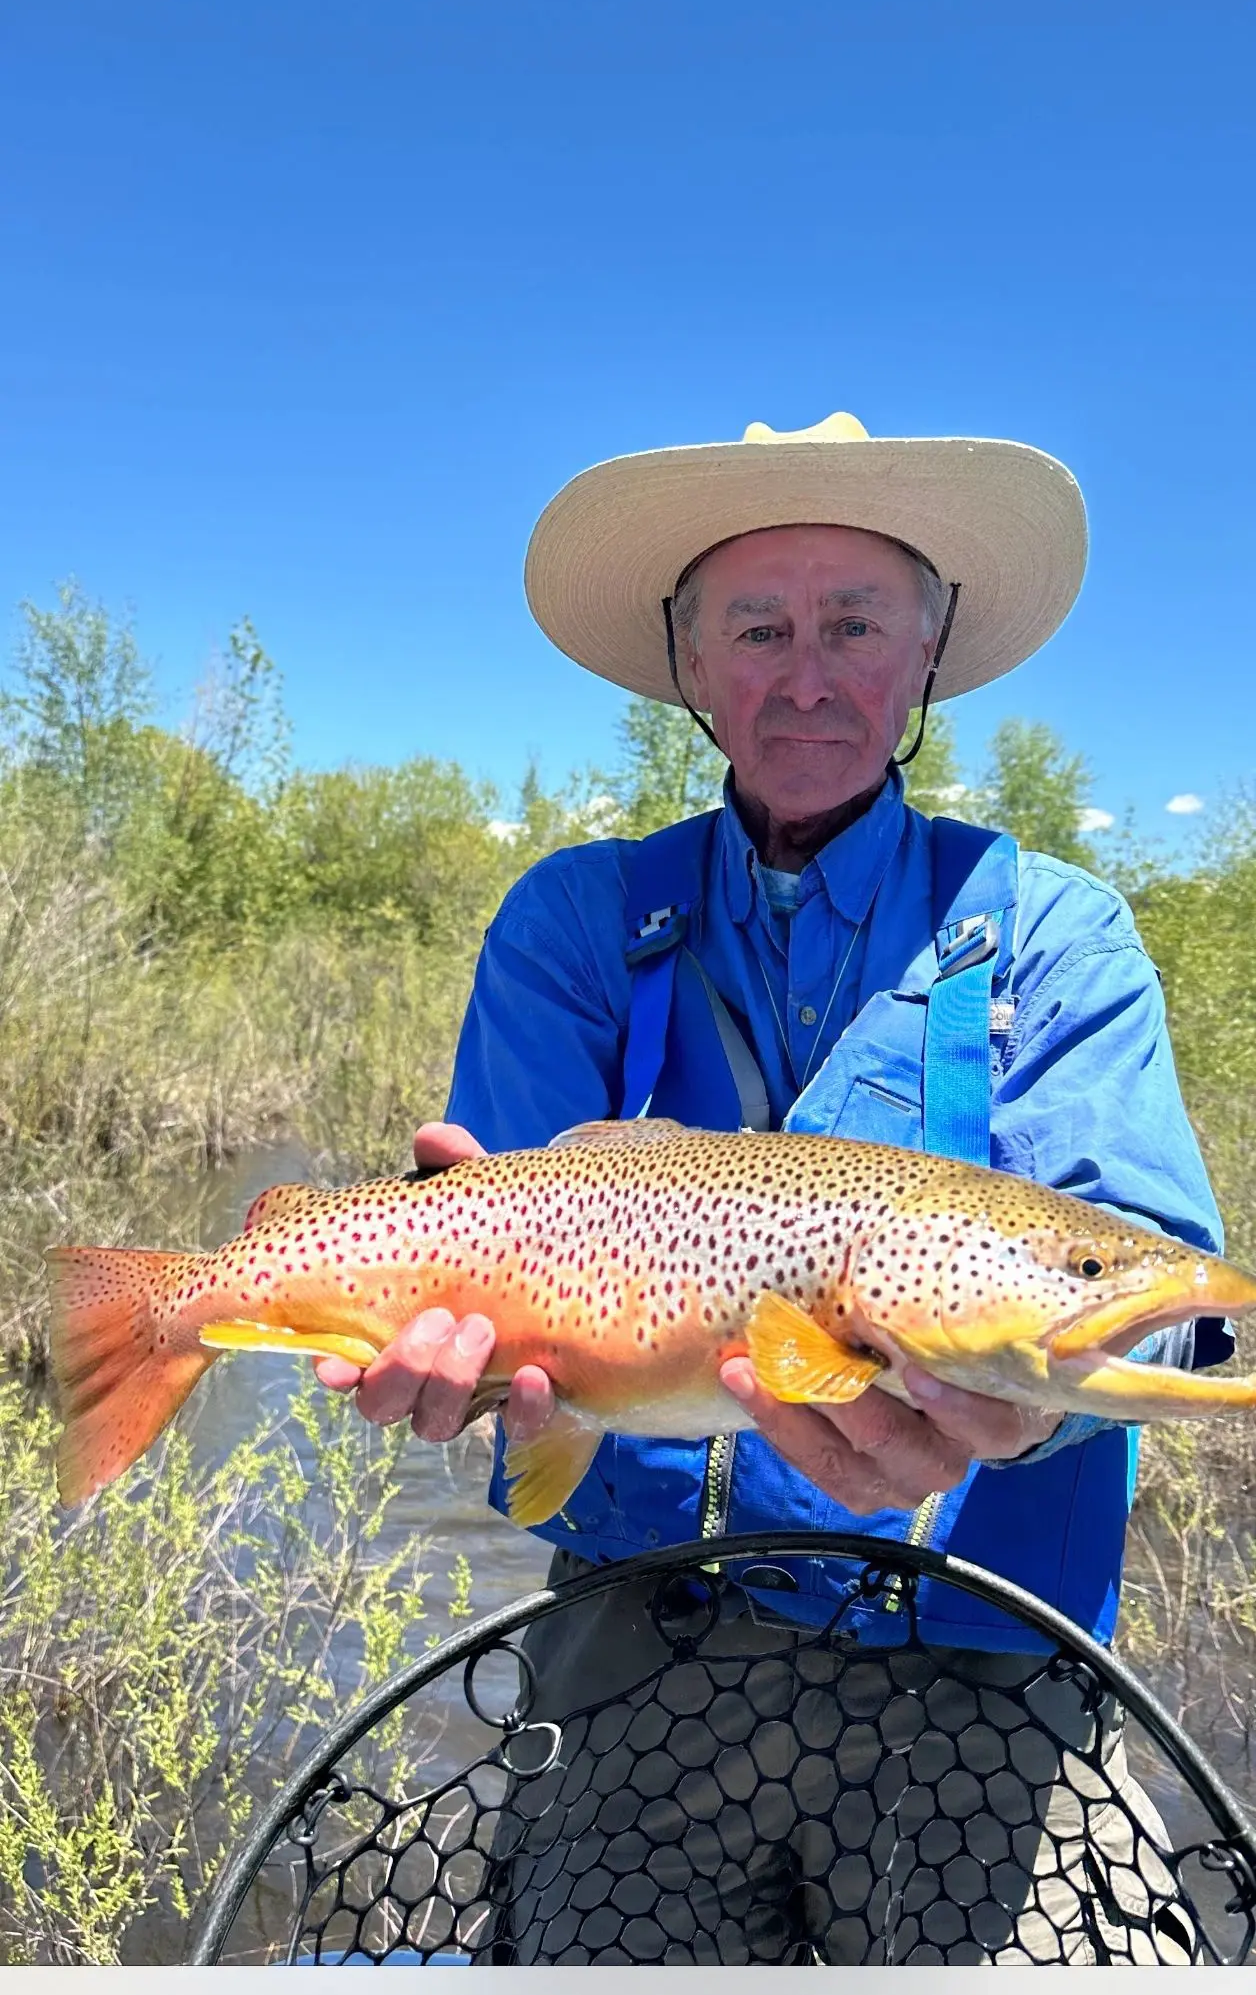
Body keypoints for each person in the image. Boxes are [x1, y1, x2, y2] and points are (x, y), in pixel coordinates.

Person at [316, 411, 1225, 1963]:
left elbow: (1165, 1306)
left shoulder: (1055, 933)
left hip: (984, 1666)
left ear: (927, 651)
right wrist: (470, 1379)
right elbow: (500, 1291)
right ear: (687, 664)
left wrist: (1046, 1404)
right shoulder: (576, 922)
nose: (808, 673)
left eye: (855, 622)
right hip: (640, 1638)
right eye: (759, 626)